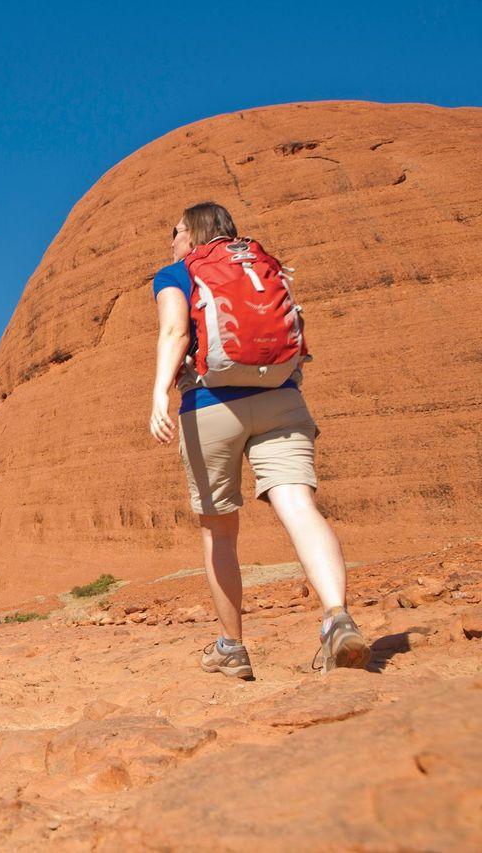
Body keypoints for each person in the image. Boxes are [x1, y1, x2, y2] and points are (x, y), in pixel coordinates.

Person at [149, 202, 370, 680]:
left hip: (209, 404)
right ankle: (336, 617)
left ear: (190, 233)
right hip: (281, 399)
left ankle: (232, 647)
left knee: (220, 530)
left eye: (175, 230)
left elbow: (175, 329)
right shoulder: (263, 265)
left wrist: (159, 393)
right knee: (299, 506)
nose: (172, 240)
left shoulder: (177, 271)